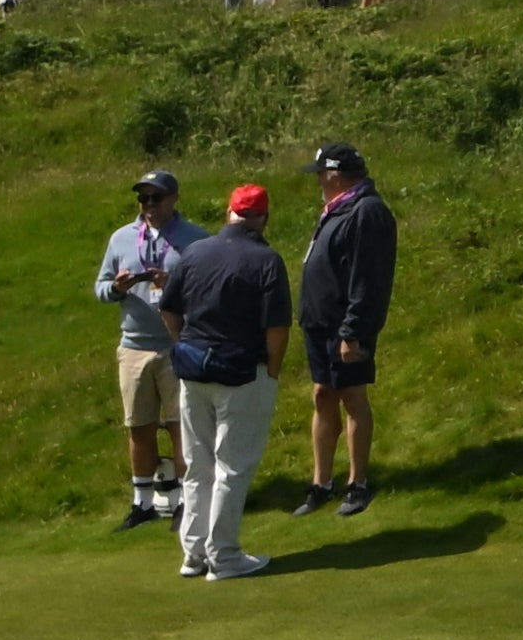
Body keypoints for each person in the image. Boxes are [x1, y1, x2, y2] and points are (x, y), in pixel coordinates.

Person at [163, 176, 296, 581]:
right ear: (264, 218)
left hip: (193, 370)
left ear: (230, 213)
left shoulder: (195, 252)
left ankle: (194, 554)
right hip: (241, 372)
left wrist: (185, 344)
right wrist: (272, 371)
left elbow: (169, 310)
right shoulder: (266, 260)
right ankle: (223, 556)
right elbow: (277, 327)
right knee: (232, 466)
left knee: (198, 464)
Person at [295, 141, 394, 516]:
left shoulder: (367, 211)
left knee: (353, 398)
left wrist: (353, 331)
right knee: (323, 395)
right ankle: (321, 482)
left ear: (335, 175)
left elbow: (368, 278)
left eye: (321, 173)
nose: (318, 180)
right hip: (320, 324)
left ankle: (358, 482)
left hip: (344, 326)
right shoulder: (339, 208)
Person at [97, 166, 194, 532]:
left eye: (156, 198)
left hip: (176, 345)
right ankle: (142, 503)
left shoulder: (194, 238)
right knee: (139, 426)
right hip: (133, 347)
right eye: (143, 198)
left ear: (173, 199)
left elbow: (205, 288)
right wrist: (117, 289)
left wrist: (174, 285)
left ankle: (186, 499)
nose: (148, 205)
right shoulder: (122, 238)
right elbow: (100, 287)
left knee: (179, 425)